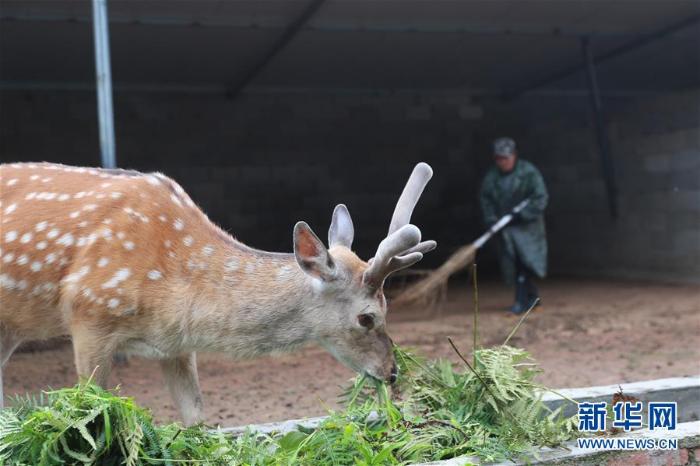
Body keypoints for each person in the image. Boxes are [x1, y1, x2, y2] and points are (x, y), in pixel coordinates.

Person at [479, 137, 548, 314]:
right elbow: (486, 200)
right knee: (515, 261)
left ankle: (521, 301)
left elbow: (540, 197)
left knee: (525, 262)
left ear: (514, 156)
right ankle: (531, 299)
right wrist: (492, 220)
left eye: (506, 158)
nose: (503, 162)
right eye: (499, 159)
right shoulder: (492, 177)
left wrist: (521, 215)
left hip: (527, 228)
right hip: (506, 229)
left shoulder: (528, 172)